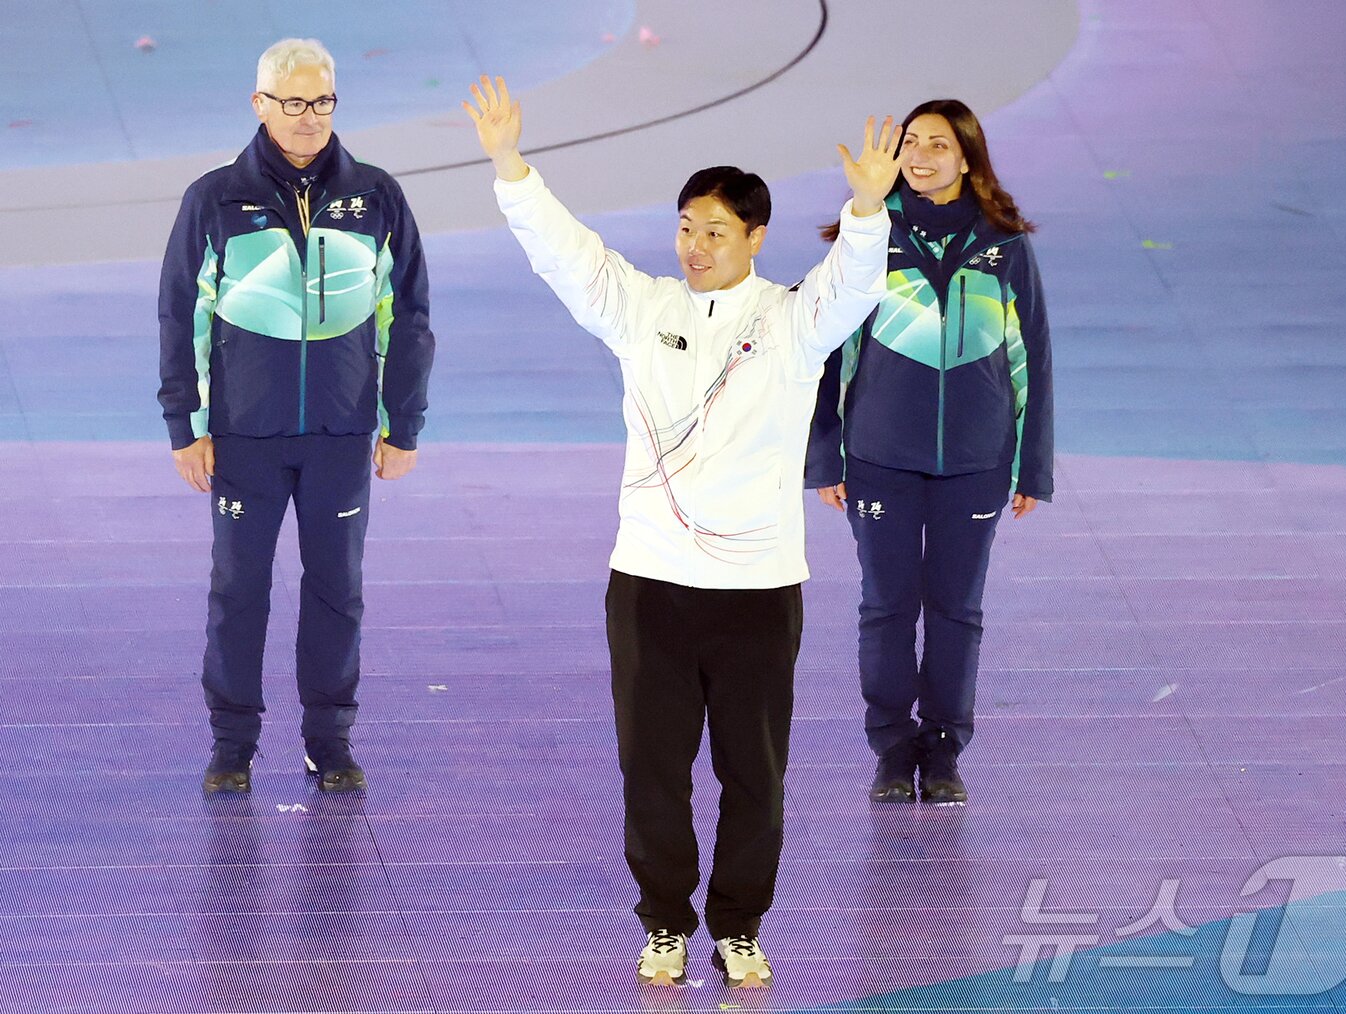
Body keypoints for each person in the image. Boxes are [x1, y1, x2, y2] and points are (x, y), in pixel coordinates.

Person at [463, 75, 900, 989]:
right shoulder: (644, 309)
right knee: (652, 772)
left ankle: (737, 926)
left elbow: (855, 284)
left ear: (754, 239)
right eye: (686, 229)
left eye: (716, 233)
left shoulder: (792, 324)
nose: (696, 247)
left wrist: (867, 210)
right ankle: (665, 922)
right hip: (651, 584)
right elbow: (568, 256)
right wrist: (511, 166)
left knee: (755, 776)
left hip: (757, 590)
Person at [158, 38, 435, 795]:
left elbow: (408, 313)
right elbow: (180, 313)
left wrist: (402, 424)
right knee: (238, 587)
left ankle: (329, 741)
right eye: (291, 102)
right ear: (260, 105)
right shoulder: (213, 199)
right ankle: (232, 745)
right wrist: (186, 425)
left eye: (320, 102)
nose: (308, 117)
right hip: (243, 436)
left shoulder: (376, 196)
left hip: (342, 435)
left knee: (337, 588)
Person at [806, 99, 1053, 806]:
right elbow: (825, 349)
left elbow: (1032, 356)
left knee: (956, 608)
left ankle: (944, 746)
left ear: (968, 159)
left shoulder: (1005, 246)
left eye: (937, 144)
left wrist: (1030, 465)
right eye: (911, 142)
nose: (920, 154)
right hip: (880, 458)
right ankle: (892, 746)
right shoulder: (867, 237)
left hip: (976, 463)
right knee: (886, 605)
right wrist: (828, 456)